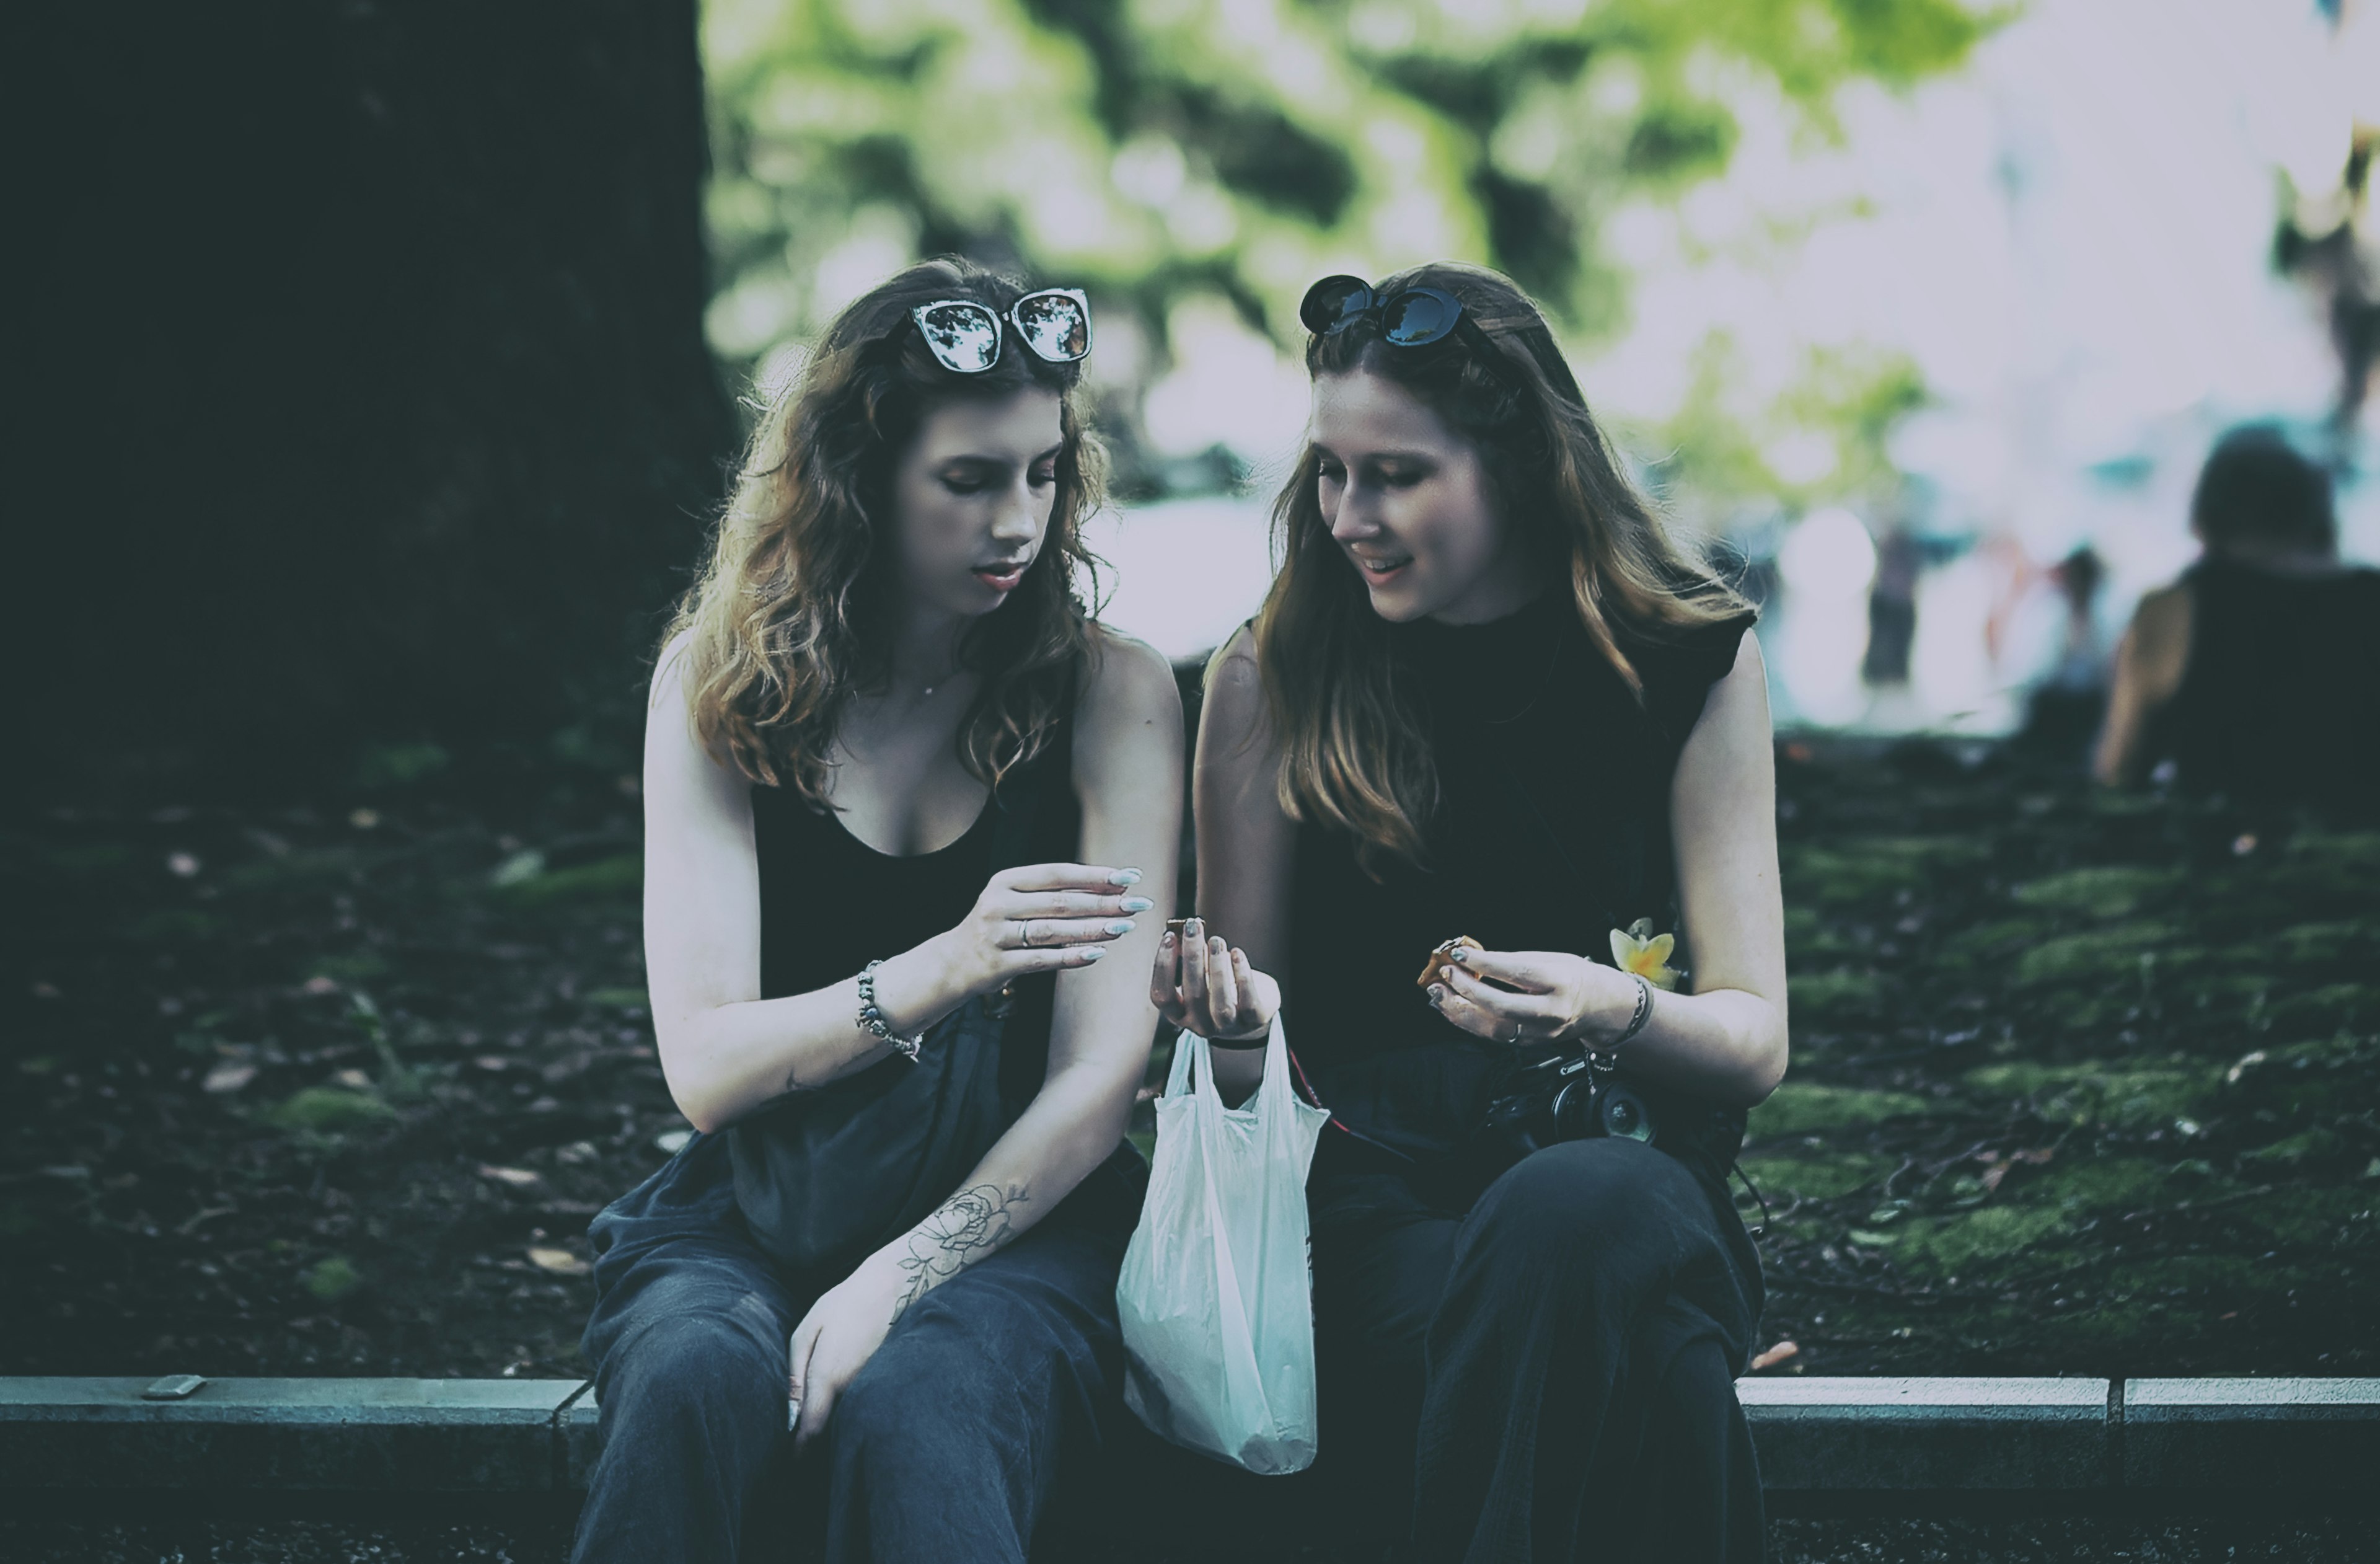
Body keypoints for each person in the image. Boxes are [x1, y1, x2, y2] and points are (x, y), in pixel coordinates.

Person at [1151, 263, 1787, 1562]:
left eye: (1395, 474)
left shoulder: (1685, 659)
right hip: (1369, 1201)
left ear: (1519, 464)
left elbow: (1753, 1037)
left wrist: (1616, 1008)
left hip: (1622, 1168)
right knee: (1657, 1373)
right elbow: (1243, 1082)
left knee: (1573, 1208)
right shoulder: (1272, 679)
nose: (1347, 515)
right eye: (1330, 470)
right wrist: (1227, 1026)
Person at [573, 258, 1183, 1563]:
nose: (1017, 518)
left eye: (1042, 472)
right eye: (969, 480)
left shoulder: (1113, 695)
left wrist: (895, 1281)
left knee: (923, 1404)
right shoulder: (718, 687)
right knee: (693, 1380)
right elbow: (708, 1069)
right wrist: (949, 963)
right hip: (756, 1211)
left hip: (1023, 1222)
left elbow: (1097, 1081)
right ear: (856, 476)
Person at [2095, 425, 2380, 813]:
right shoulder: (2369, 598)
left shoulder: (2172, 610)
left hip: (2219, 861)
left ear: (2206, 511)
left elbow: (2120, 772)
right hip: (2358, 861)